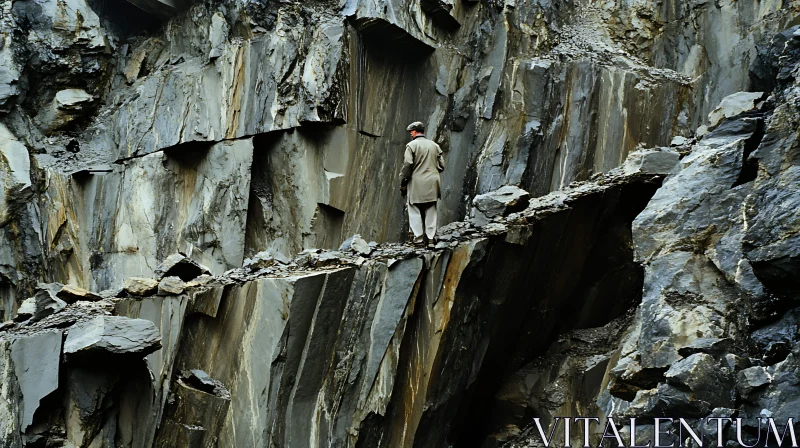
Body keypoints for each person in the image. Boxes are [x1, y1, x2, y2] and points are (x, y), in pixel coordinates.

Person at [399, 121, 445, 247]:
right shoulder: (434, 145)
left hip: (416, 182)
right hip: (432, 182)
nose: (410, 134)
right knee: (431, 208)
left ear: (415, 131)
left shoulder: (411, 146)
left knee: (414, 209)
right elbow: (442, 165)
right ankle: (431, 239)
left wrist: (403, 181)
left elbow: (407, 165)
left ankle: (418, 239)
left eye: (411, 132)